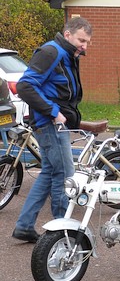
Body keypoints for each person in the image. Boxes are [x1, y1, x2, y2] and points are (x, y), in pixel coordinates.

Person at [12, 17, 92, 243]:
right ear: (67, 34)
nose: (84, 46)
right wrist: (54, 112)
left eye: (87, 42)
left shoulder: (66, 54)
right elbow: (24, 86)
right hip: (50, 123)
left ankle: (25, 226)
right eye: (81, 40)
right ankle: (62, 232)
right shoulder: (51, 52)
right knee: (64, 176)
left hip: (54, 123)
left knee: (48, 173)